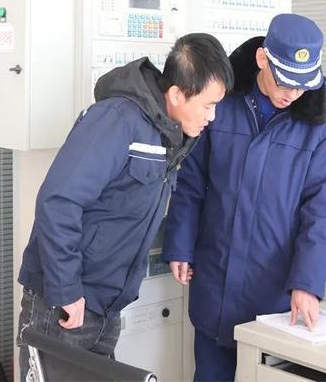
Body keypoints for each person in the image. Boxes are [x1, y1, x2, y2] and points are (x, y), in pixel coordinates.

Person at [16, 33, 234, 380]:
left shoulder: (169, 134)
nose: (213, 116)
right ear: (176, 94)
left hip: (105, 307)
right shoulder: (116, 120)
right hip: (65, 303)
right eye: (208, 105)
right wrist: (67, 290)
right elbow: (58, 201)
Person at [163, 13, 326, 381]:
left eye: (302, 85)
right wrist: (180, 244)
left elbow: (321, 212)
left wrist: (307, 284)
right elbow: (192, 180)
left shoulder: (321, 121)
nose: (292, 94)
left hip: (274, 289)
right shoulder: (222, 100)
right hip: (215, 276)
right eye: (284, 82)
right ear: (262, 59)